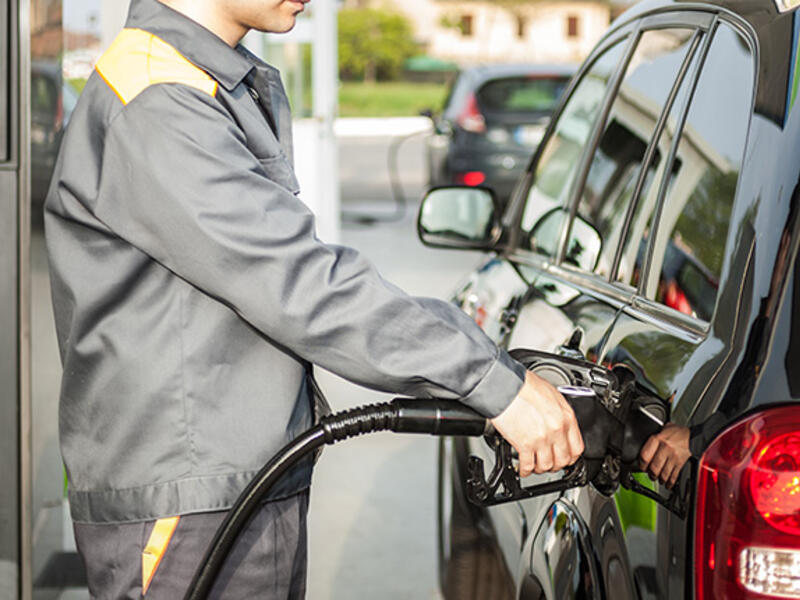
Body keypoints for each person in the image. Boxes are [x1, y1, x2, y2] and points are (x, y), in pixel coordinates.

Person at [44, 0, 583, 597]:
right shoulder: (156, 101)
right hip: (187, 504)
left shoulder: (200, 82)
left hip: (225, 489)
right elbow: (303, 283)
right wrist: (491, 379)